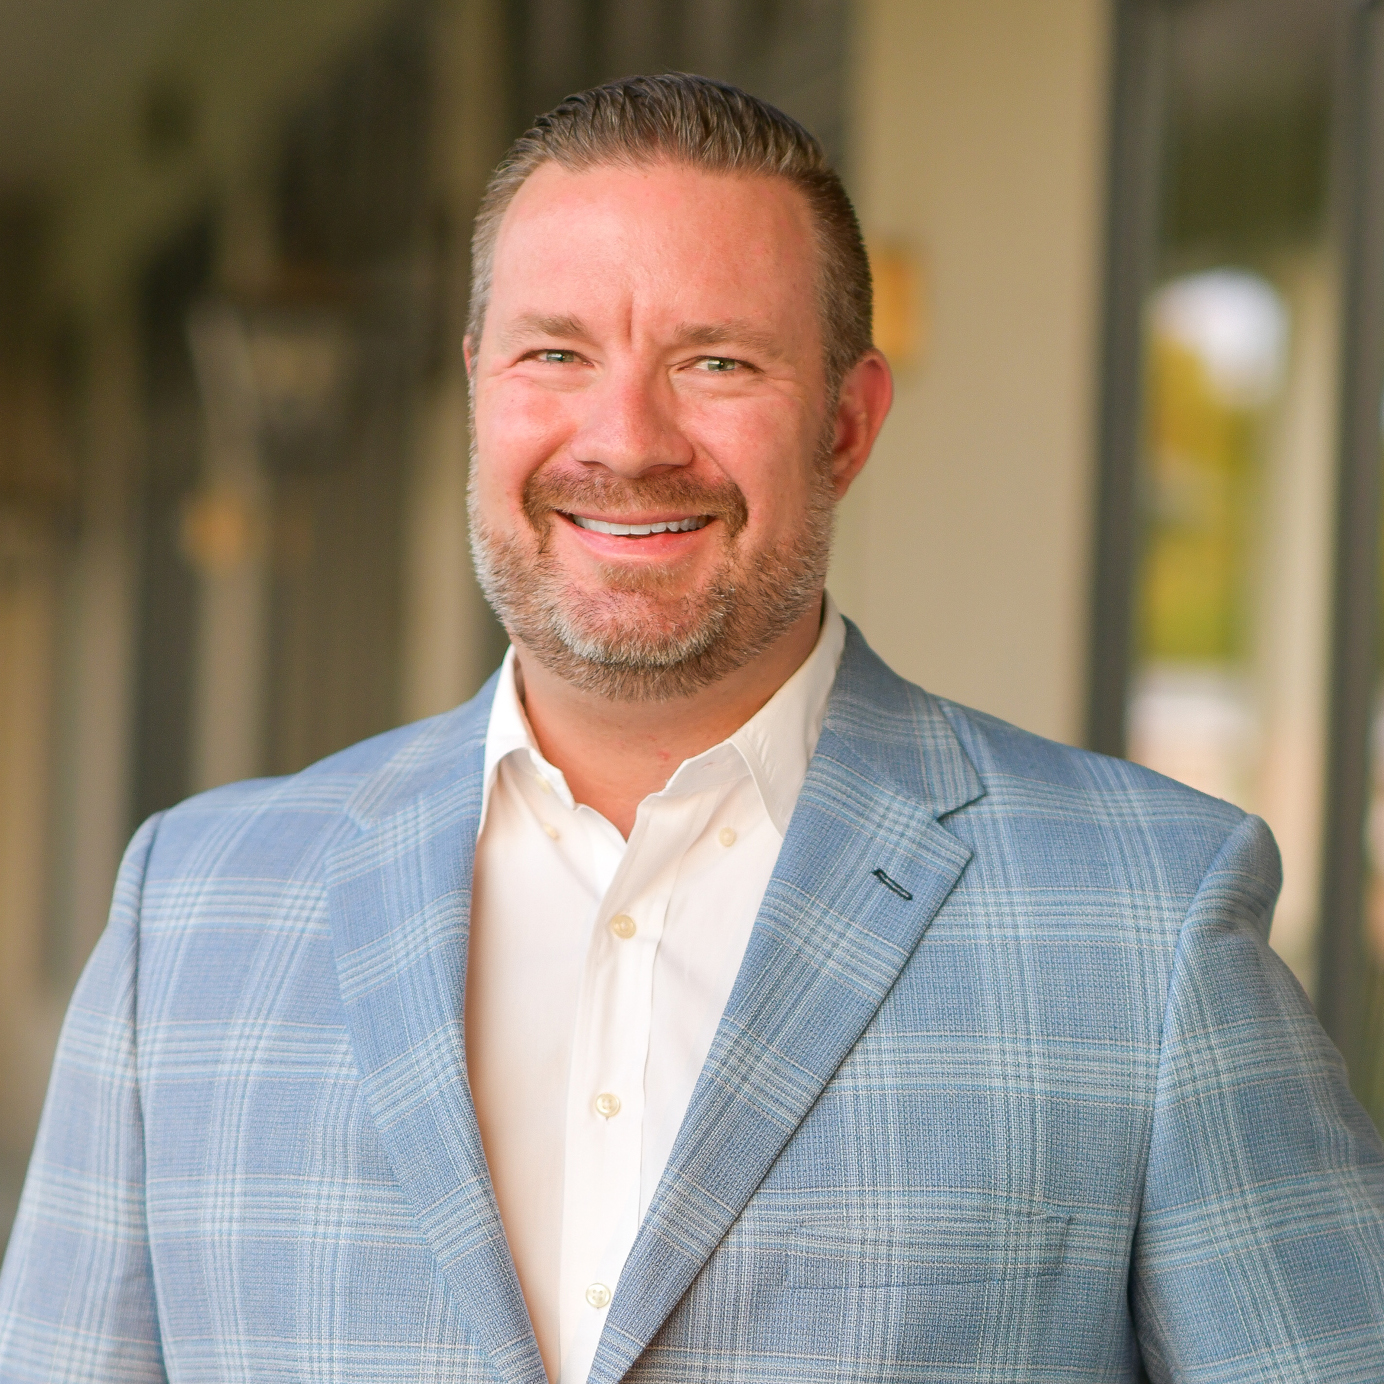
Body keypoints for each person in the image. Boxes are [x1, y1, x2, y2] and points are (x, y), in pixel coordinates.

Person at [1, 73, 1381, 1384]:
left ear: (846, 424)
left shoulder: (1147, 923)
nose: (628, 437)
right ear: (481, 386)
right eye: (557, 353)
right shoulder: (191, 915)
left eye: (716, 361)